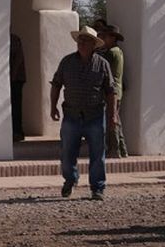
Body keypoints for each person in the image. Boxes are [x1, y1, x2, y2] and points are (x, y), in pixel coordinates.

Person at [50, 25, 116, 200]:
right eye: (80, 41)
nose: (82, 44)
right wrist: (53, 106)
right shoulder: (67, 62)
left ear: (94, 44)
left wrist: (113, 115)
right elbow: (56, 84)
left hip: (94, 115)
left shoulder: (102, 65)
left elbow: (110, 91)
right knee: (67, 153)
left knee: (97, 154)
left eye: (86, 41)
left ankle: (98, 188)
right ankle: (70, 180)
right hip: (71, 115)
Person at [98, 23, 128, 158]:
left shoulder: (111, 53)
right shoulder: (118, 51)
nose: (104, 39)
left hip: (111, 91)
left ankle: (114, 149)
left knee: (112, 120)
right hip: (118, 90)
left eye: (106, 36)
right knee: (116, 120)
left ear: (112, 38)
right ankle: (122, 149)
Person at [10, 33, 26, 141]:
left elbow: (18, 58)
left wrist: (13, 75)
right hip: (11, 78)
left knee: (16, 106)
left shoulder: (14, 39)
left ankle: (17, 132)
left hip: (16, 79)